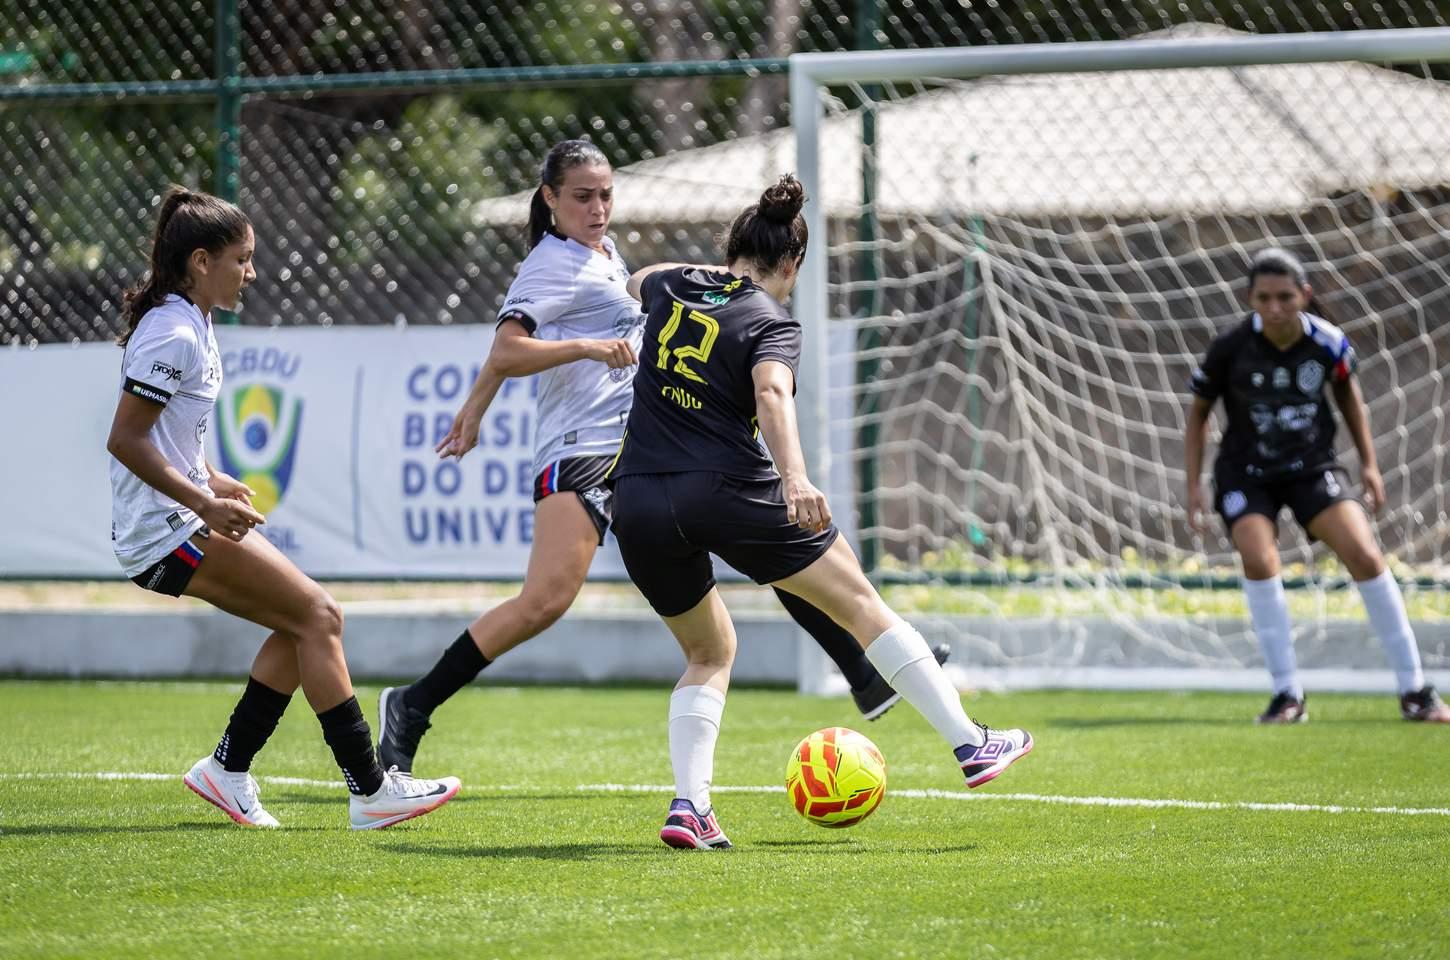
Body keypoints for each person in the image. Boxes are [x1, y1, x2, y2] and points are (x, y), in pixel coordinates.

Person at [376, 141, 945, 773]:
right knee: (545, 601)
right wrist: (589, 349)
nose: (597, 209)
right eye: (582, 197)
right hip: (584, 449)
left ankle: (861, 673)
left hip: (640, 446)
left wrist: (476, 410)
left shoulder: (603, 255)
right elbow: (508, 349)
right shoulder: (551, 263)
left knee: (761, 535)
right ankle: (412, 704)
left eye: (606, 195)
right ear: (550, 199)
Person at [608, 174, 1033, 850]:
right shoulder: (769, 320)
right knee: (863, 605)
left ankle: (691, 807)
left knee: (708, 650)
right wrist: (796, 478)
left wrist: (705, 276)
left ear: (732, 250)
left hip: (636, 500)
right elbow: (772, 394)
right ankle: (970, 744)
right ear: (793, 264)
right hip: (727, 490)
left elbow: (641, 277)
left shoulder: (673, 285)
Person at [106, 186, 461, 829]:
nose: (251, 272)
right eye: (241, 259)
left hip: (179, 515)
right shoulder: (172, 330)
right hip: (163, 532)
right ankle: (371, 790)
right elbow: (125, 439)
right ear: (201, 261)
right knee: (319, 615)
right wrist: (202, 501)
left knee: (304, 624)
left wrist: (212, 477)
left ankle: (226, 770)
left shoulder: (194, 321)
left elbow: (169, 435)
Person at [1185, 247, 1448, 724]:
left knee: (1366, 555)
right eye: (1263, 298)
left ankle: (1416, 691)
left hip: (1311, 467)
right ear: (1251, 298)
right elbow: (1199, 413)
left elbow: (1349, 396)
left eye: (1285, 296)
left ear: (1304, 294)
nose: (1275, 307)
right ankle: (1287, 694)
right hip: (1246, 472)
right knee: (1258, 557)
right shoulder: (1230, 348)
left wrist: (1368, 464)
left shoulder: (1327, 343)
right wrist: (1194, 484)